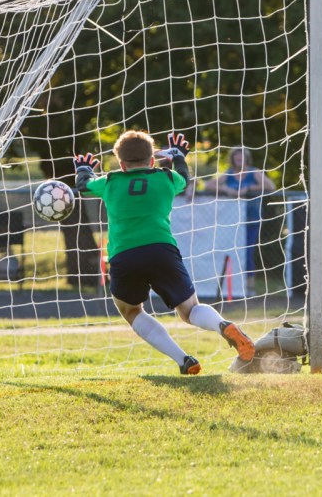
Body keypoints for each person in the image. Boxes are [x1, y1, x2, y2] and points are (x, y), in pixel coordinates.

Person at [74, 131, 255, 375]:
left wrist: (84, 168)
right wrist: (178, 156)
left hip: (124, 256)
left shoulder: (111, 181)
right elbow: (185, 177)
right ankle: (222, 325)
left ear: (121, 164)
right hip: (161, 251)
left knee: (132, 311)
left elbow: (83, 187)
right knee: (190, 310)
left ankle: (183, 360)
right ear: (151, 161)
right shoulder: (166, 178)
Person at [203, 147, 276, 292]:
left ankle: (249, 286)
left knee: (248, 252)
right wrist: (226, 189)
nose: (239, 160)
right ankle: (231, 285)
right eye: (237, 158)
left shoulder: (253, 172)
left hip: (251, 219)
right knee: (230, 250)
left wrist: (249, 188)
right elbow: (208, 185)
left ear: (246, 158)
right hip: (232, 221)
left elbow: (271, 186)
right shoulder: (229, 173)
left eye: (242, 157)